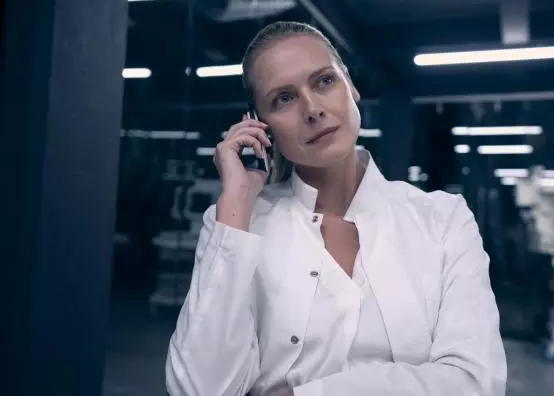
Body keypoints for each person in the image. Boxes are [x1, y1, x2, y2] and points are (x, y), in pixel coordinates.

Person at [165, 21, 507, 396]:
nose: (312, 109)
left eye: (324, 81)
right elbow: (198, 389)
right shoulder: (239, 225)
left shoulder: (442, 220)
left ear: (351, 86)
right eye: (284, 98)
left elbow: (473, 382)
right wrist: (235, 205)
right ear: (260, 126)